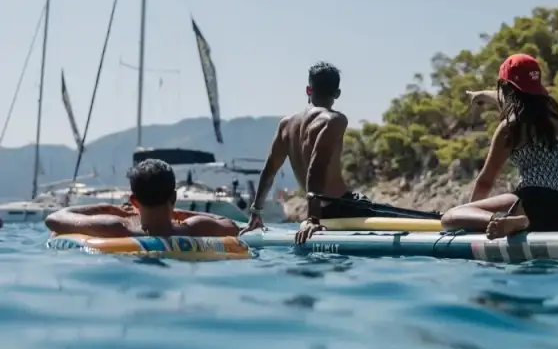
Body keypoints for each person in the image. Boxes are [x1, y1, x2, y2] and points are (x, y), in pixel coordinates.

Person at [441, 53, 558, 238]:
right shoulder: (554, 113)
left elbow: (486, 181)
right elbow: (513, 99)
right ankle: (516, 221)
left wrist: (471, 216)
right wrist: (482, 95)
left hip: (535, 208)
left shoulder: (511, 127)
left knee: (450, 216)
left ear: (506, 87)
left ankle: (510, 221)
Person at [241, 61, 376, 244]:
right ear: (337, 93)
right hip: (343, 207)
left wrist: (256, 213)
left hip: (320, 210)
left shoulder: (286, 124)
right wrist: (313, 219)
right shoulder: (334, 120)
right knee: (413, 222)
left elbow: (269, 170)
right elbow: (317, 166)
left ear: (308, 90)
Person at [44, 159, 240, 238]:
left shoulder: (115, 227)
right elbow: (231, 225)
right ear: (173, 197)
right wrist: (181, 213)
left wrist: (106, 208)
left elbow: (55, 218)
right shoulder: (196, 227)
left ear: (134, 201)